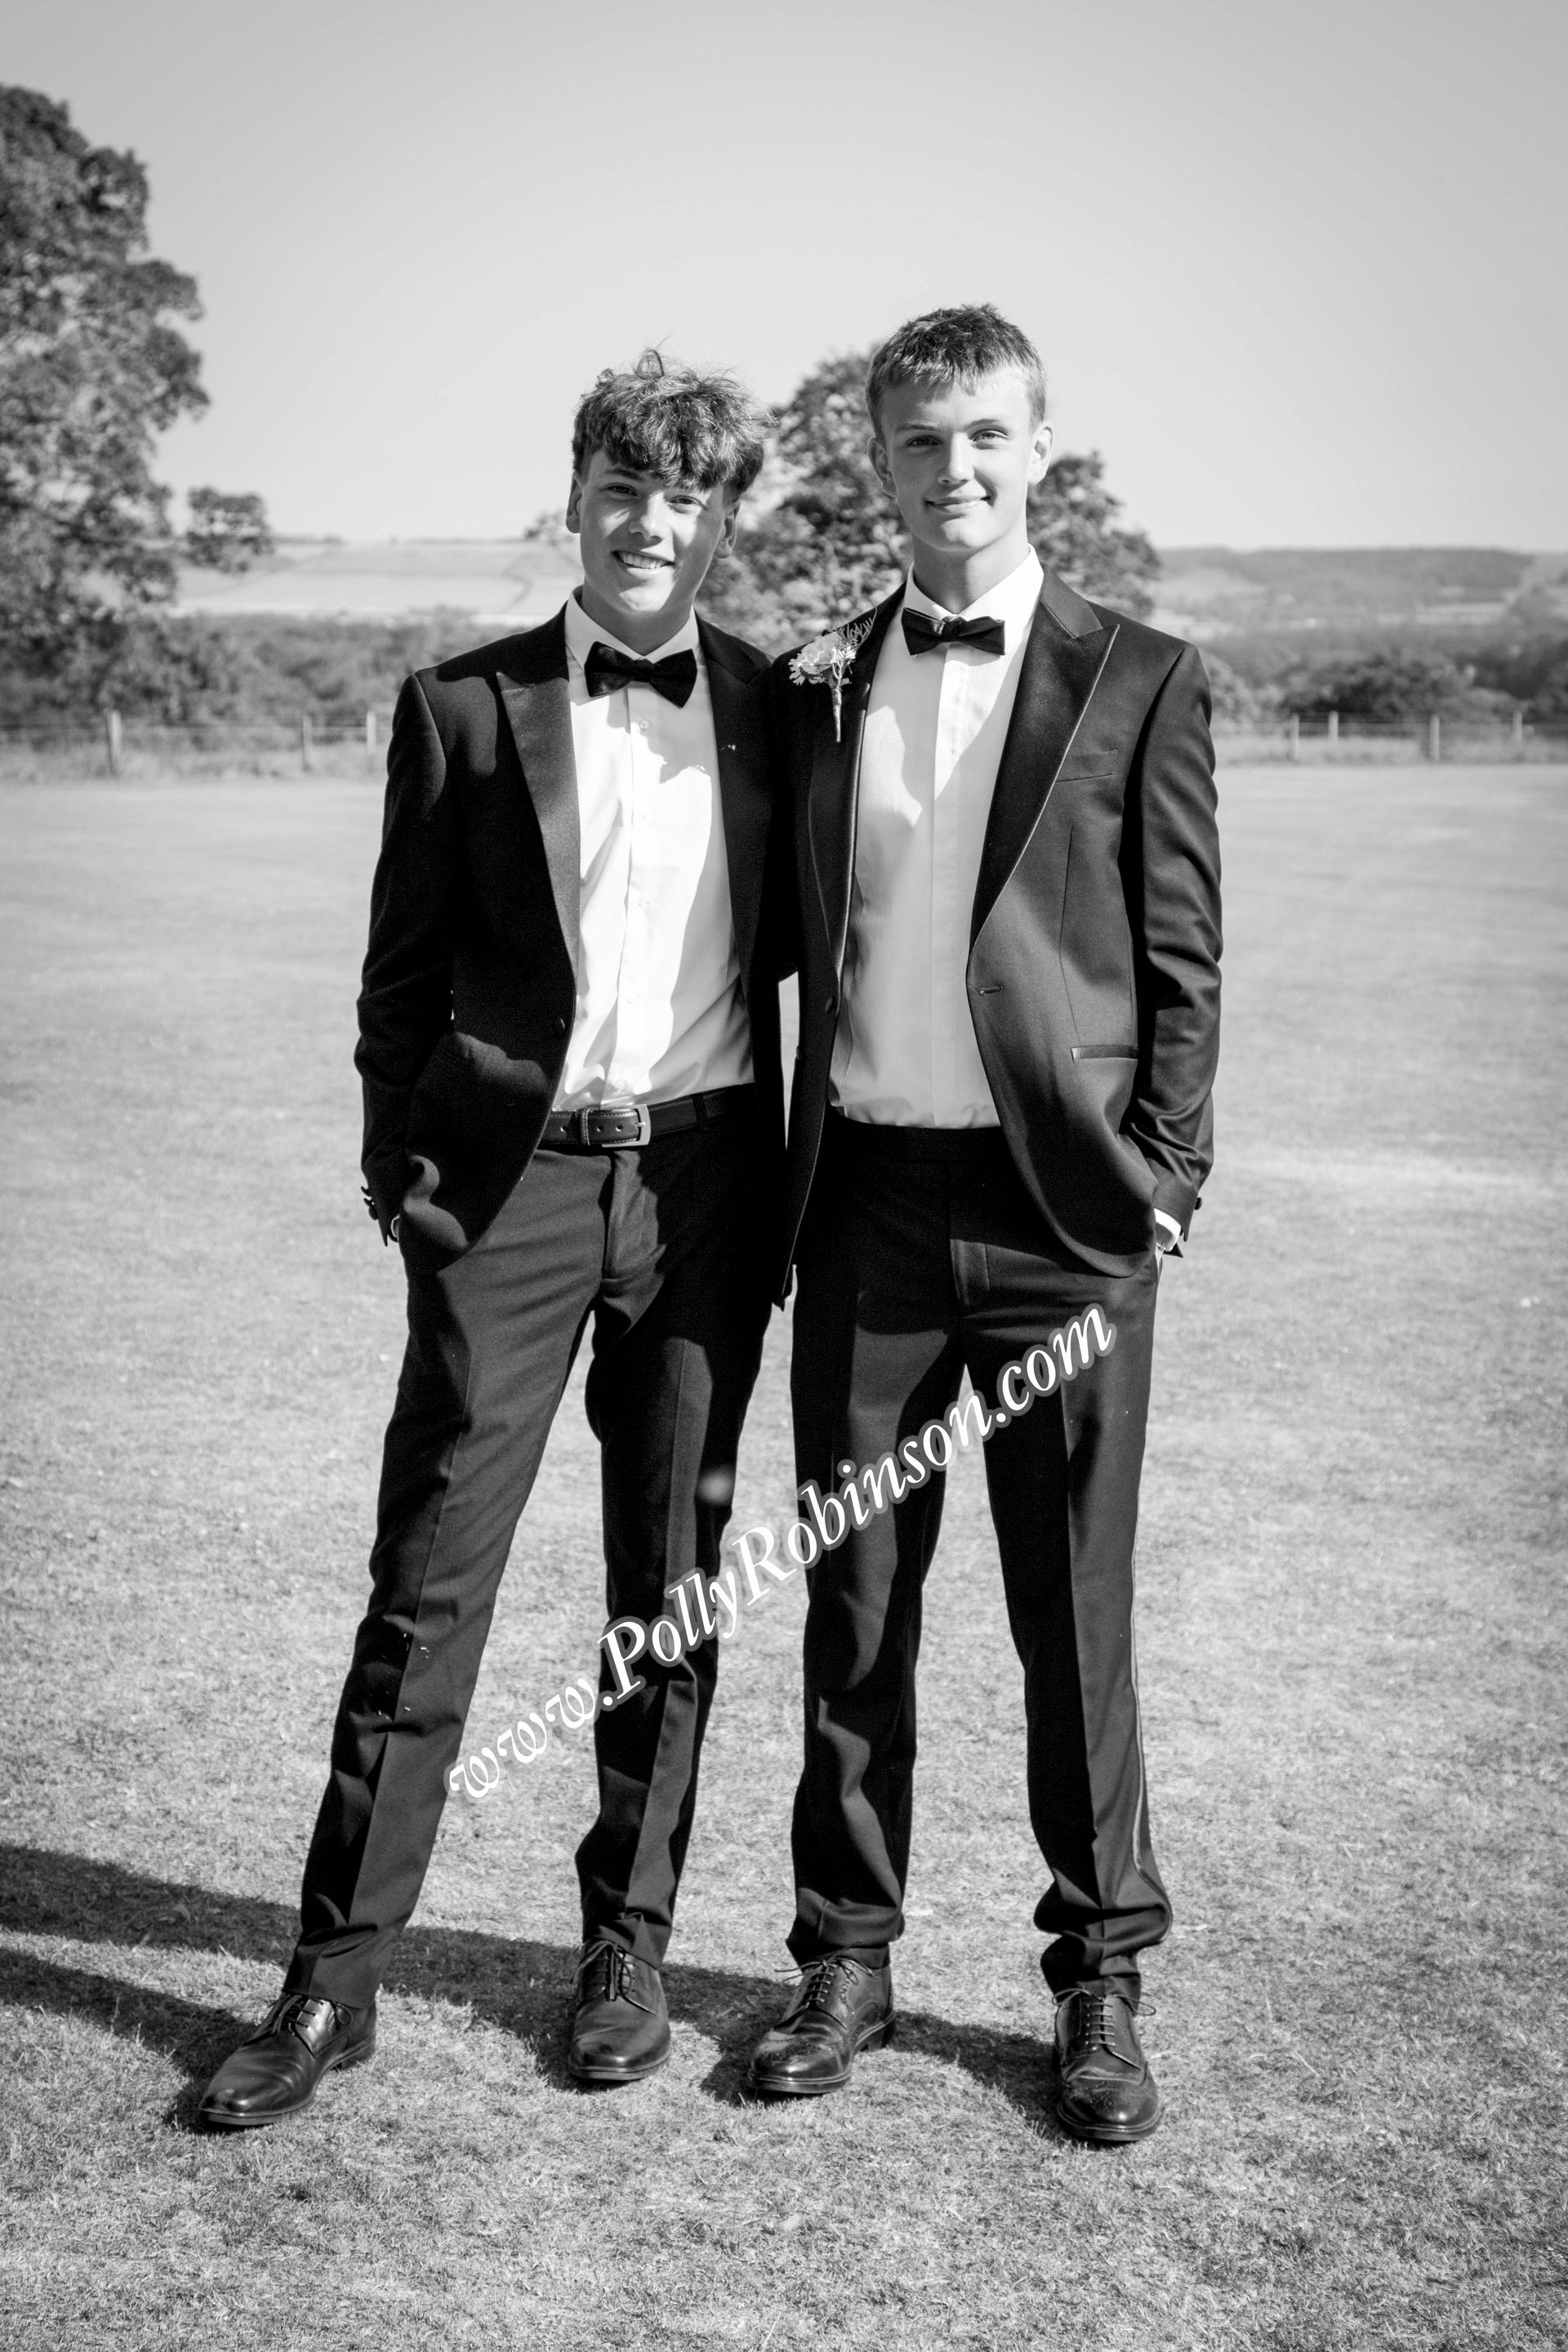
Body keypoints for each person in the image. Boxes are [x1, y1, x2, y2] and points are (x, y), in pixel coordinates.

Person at [200, 352, 786, 2127]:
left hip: (703, 1191)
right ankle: (331, 1981)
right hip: (509, 1200)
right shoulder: (459, 706)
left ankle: (626, 1953)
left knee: (667, 1589)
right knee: (429, 1582)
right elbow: (397, 975)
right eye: (621, 488)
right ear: (576, 495)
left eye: (683, 496)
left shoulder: (781, 710)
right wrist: (407, 1180)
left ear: (720, 520)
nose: (648, 523)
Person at [747, 305, 1222, 2145]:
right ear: (882, 461)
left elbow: (1182, 956)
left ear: (1039, 448)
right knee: (856, 1599)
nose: (955, 469)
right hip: (865, 1203)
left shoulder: (1142, 677)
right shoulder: (818, 683)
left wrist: (1164, 1178)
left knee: (1070, 1613)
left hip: (1062, 1225)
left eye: (985, 437)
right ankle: (845, 1958)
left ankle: (1099, 1976)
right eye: (920, 440)